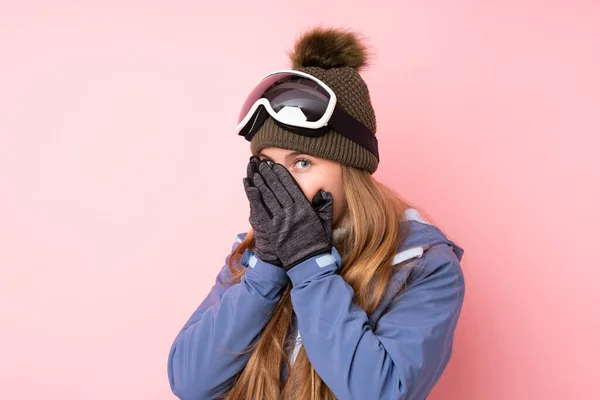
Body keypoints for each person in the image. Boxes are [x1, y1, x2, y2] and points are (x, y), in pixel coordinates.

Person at [167, 26, 465, 400]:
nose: (281, 184)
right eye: (266, 164)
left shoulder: (424, 266)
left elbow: (380, 393)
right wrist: (268, 271)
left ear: (350, 170)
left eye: (302, 162)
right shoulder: (253, 258)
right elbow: (190, 382)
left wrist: (310, 265)